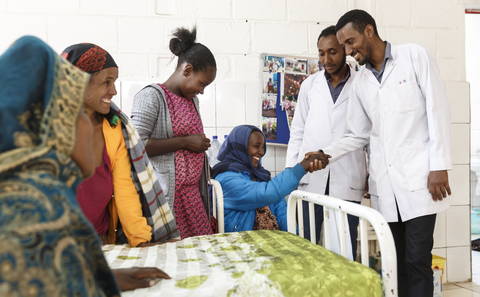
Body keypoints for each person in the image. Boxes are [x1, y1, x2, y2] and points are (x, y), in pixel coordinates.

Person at [0, 36, 170, 296]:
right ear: (54, 123)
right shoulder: (32, 212)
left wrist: (103, 276)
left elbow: (57, 271)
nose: (89, 127)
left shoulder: (45, 199)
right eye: (76, 115)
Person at [318, 10, 452, 297]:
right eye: (345, 47)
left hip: (420, 181)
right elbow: (358, 133)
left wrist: (439, 166)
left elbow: (437, 110)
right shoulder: (361, 82)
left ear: (369, 31)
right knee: (395, 263)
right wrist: (324, 154)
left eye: (351, 42)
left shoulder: (414, 56)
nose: (349, 51)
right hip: (386, 188)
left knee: (417, 260)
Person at [62, 43, 178, 247]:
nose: (114, 91)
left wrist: (140, 239)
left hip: (101, 239)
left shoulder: (113, 128)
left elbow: (124, 188)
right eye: (106, 82)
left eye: (114, 81)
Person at [286, 25, 367, 258]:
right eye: (321, 53)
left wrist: (371, 172)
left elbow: (368, 134)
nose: (326, 59)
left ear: (345, 50)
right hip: (310, 178)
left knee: (344, 250)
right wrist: (291, 172)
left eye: (332, 52)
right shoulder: (309, 86)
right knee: (306, 249)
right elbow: (298, 132)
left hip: (348, 175)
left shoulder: (362, 83)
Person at [131, 27, 216, 239]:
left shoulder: (192, 101)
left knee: (199, 257)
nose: (202, 91)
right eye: (202, 83)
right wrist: (185, 142)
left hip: (192, 199)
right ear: (187, 70)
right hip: (166, 199)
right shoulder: (152, 96)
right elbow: (136, 146)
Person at [212, 125, 329, 232]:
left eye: (263, 147)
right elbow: (266, 193)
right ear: (240, 146)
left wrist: (295, 237)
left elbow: (281, 210)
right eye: (256, 146)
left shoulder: (259, 175)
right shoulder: (226, 179)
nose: (261, 152)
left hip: (271, 241)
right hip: (243, 244)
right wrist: (303, 166)